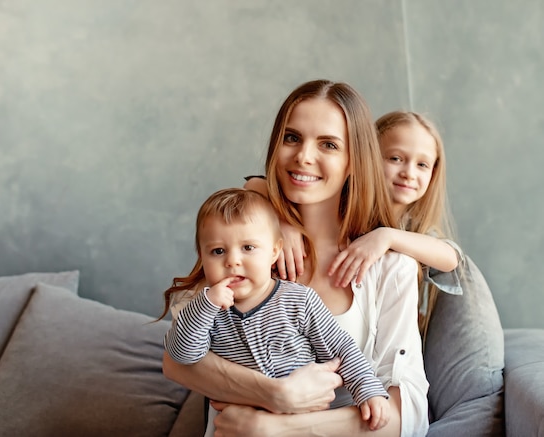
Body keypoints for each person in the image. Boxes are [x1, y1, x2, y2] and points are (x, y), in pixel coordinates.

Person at [163, 80, 429, 437]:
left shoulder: (391, 269)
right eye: (292, 138)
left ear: (355, 161)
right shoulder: (241, 248)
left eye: (329, 145)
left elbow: (404, 417)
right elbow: (177, 362)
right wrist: (276, 394)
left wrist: (274, 428)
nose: (303, 156)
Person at [161, 188, 391, 436]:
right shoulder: (207, 312)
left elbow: (342, 348)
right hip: (235, 428)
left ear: (274, 251)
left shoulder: (299, 301)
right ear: (203, 257)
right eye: (218, 251)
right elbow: (183, 354)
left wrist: (368, 389)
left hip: (297, 427)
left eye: (248, 247)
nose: (232, 261)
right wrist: (206, 305)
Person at [251, 110, 464, 338]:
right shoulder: (341, 203)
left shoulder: (413, 229)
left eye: (422, 165)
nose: (409, 173)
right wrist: (281, 219)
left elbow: (450, 259)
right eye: (395, 158)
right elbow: (255, 184)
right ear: (365, 158)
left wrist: (387, 236)